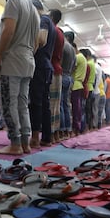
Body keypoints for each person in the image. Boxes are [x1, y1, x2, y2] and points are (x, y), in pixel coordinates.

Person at [0, 0, 40, 155]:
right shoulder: (34, 10)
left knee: (8, 102)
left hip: (12, 60)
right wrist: (27, 54)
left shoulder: (13, 1)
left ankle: (14, 144)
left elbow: (8, 30)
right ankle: (25, 143)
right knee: (22, 104)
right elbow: (38, 42)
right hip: (28, 60)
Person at [29, 0, 56, 148]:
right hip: (46, 66)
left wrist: (30, 51)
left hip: (39, 65)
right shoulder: (50, 22)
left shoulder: (43, 20)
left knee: (36, 103)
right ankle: (46, 137)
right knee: (44, 104)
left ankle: (34, 138)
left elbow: (41, 39)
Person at [49, 9, 65, 143]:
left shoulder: (51, 30)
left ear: (52, 16)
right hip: (58, 70)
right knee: (56, 105)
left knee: (50, 104)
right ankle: (55, 135)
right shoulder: (60, 32)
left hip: (51, 70)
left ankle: (50, 134)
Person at [60, 31, 76, 139]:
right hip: (69, 77)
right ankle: (68, 129)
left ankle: (61, 130)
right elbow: (74, 66)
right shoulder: (73, 50)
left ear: (66, 37)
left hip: (62, 76)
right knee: (65, 104)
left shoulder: (63, 46)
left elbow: (59, 61)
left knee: (59, 104)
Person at [71, 43, 87, 136]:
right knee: (78, 109)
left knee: (75, 109)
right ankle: (78, 128)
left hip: (75, 84)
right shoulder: (83, 58)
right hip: (79, 84)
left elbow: (71, 68)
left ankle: (75, 129)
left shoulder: (78, 57)